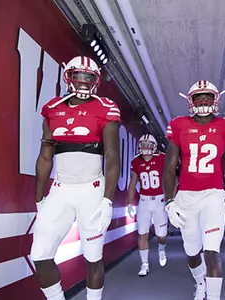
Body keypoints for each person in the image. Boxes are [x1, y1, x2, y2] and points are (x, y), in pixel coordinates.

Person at [30, 56, 120, 300]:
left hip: (91, 188)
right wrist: (39, 198)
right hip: (60, 187)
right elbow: (45, 156)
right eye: (77, 76)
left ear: (96, 80)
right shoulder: (52, 108)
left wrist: (107, 199)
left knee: (92, 257)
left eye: (88, 77)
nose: (82, 82)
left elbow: (112, 156)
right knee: (39, 254)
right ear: (68, 77)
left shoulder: (106, 107)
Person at [163, 80, 225, 300]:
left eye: (208, 97)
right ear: (190, 101)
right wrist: (169, 201)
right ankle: (200, 283)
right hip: (186, 197)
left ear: (216, 100)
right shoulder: (178, 125)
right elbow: (169, 168)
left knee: (212, 251)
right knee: (191, 251)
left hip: (213, 195)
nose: (203, 101)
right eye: (199, 97)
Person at [127, 134, 168, 276]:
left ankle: (162, 248)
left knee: (161, 235)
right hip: (144, 201)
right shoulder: (136, 161)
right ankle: (144, 264)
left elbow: (170, 176)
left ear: (154, 146)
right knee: (142, 233)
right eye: (142, 145)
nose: (145, 148)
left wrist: (172, 197)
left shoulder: (162, 158)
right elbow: (133, 182)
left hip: (160, 200)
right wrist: (129, 202)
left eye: (147, 145)